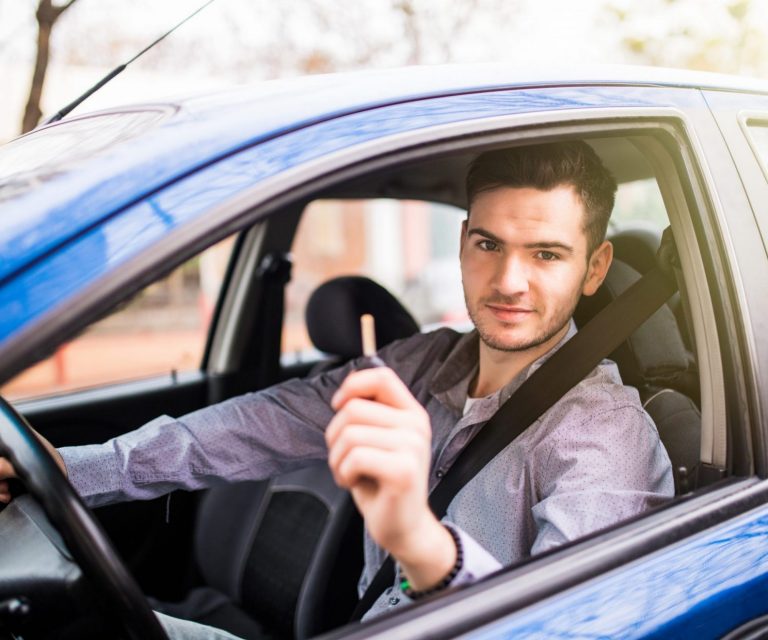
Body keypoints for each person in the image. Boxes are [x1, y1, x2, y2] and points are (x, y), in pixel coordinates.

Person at [0, 141, 673, 638]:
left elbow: (571, 629)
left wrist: (418, 539)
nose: (508, 282)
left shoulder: (606, 438)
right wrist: (73, 470)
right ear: (464, 243)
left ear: (595, 269)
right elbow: (259, 424)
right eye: (488, 245)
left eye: (547, 255)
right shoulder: (420, 363)